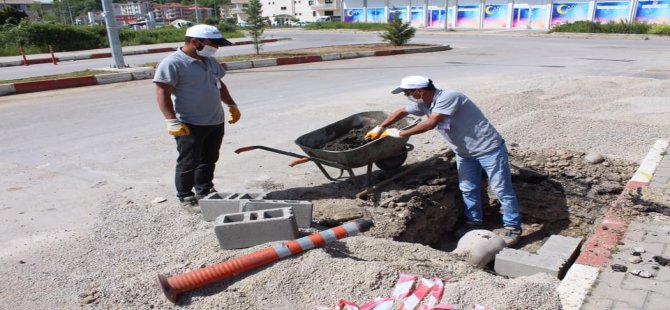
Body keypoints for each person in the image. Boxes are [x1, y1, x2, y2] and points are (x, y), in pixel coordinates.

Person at [365, 76, 522, 246]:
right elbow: (402, 111)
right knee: (468, 188)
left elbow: (431, 123)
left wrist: (400, 133)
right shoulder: (424, 103)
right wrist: (380, 127)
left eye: (407, 92)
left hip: (489, 149)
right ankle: (474, 222)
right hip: (464, 153)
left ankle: (513, 227)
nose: (406, 95)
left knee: (501, 189)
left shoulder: (449, 97)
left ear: (420, 90)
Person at [153, 24, 241, 212]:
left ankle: (205, 190)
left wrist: (231, 104)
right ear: (194, 42)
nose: (216, 48)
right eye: (213, 44)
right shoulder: (173, 63)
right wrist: (171, 120)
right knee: (188, 161)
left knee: (209, 158)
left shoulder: (209, 60)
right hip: (190, 123)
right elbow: (162, 92)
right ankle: (185, 195)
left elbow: (219, 84)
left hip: (215, 120)